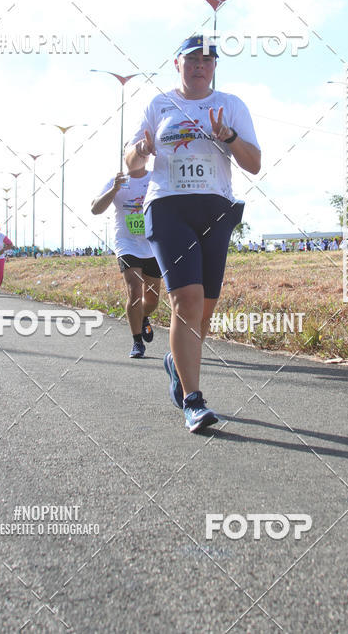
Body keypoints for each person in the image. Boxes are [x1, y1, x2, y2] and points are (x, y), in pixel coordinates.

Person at [125, 35, 261, 432]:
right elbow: (132, 164)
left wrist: (230, 139)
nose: (200, 65)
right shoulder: (158, 104)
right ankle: (194, 400)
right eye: (192, 59)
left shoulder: (232, 105)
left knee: (203, 310)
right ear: (177, 63)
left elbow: (254, 164)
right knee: (186, 299)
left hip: (215, 210)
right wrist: (142, 150)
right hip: (167, 206)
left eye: (207, 59)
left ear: (215, 66)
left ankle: (176, 362)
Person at [91, 169, 162, 359]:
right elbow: (95, 208)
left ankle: (143, 317)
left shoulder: (156, 176)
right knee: (134, 291)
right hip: (126, 243)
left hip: (152, 244)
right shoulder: (117, 180)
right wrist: (114, 189)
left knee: (153, 299)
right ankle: (137, 342)